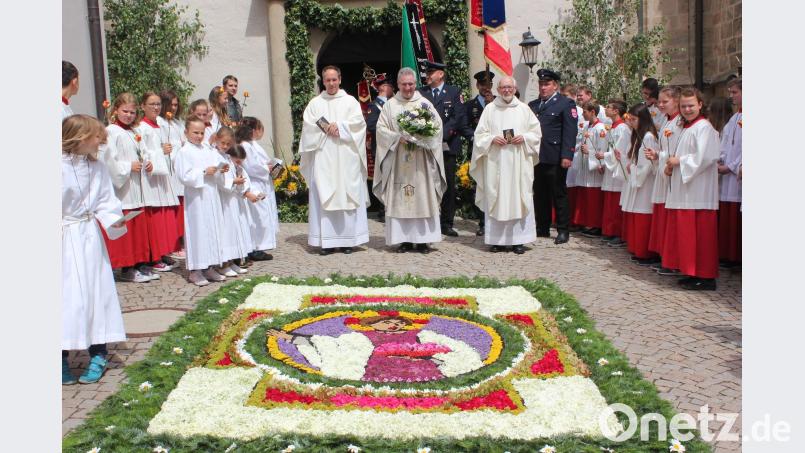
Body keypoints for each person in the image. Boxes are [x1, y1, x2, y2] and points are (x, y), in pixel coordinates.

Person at [62, 114, 128, 385]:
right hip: (63, 237)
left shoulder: (97, 166)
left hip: (89, 237)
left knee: (96, 292)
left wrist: (114, 219)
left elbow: (105, 200)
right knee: (65, 297)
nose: (101, 141)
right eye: (96, 136)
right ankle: (60, 355)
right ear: (79, 137)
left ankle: (98, 353)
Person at [374, 67, 446, 253]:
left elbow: (437, 128)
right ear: (398, 85)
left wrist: (422, 136)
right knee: (401, 199)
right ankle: (404, 239)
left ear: (415, 84)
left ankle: (423, 240)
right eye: (404, 84)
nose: (408, 88)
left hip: (421, 161)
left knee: (422, 197)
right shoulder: (390, 105)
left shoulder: (424, 104)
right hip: (398, 159)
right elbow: (380, 130)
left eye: (411, 84)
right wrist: (397, 137)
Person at [299, 65, 370, 255]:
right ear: (323, 81)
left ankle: (348, 241)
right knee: (324, 194)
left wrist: (340, 126)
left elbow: (359, 125)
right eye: (327, 80)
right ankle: (327, 242)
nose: (331, 83)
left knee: (347, 194)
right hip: (324, 157)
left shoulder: (350, 101)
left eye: (334, 79)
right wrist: (326, 128)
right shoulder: (315, 103)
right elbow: (308, 126)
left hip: (346, 158)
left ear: (340, 79)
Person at [470, 76, 541, 254]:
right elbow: (479, 135)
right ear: (498, 89)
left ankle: (518, 240)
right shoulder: (490, 109)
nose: (506, 90)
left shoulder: (524, 109)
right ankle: (497, 241)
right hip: (496, 162)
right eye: (503, 87)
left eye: (509, 87)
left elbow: (536, 133)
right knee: (496, 197)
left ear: (515, 89)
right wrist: (492, 139)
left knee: (518, 197)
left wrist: (524, 137)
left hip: (518, 163)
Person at [662, 88, 720, 290]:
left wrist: (679, 161)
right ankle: (692, 272)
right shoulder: (687, 127)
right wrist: (671, 166)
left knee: (701, 235)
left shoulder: (704, 127)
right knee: (688, 236)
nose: (687, 109)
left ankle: (706, 277)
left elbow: (706, 157)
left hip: (699, 192)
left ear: (700, 105)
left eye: (691, 105)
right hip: (686, 191)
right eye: (683, 106)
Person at [102, 93, 160, 283]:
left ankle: (138, 264)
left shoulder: (134, 131)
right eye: (125, 111)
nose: (128, 115)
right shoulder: (111, 131)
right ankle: (127, 268)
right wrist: (127, 167)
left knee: (138, 228)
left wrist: (148, 163)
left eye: (132, 112)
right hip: (125, 189)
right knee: (128, 229)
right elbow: (109, 161)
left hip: (137, 186)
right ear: (116, 110)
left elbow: (143, 152)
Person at [173, 115, 228, 286]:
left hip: (211, 194)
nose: (199, 136)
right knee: (198, 231)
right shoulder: (184, 152)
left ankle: (209, 266)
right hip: (196, 198)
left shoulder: (207, 149)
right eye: (195, 132)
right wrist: (203, 172)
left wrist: (220, 169)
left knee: (212, 229)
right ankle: (196, 270)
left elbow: (216, 164)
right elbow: (183, 175)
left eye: (202, 133)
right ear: (186, 132)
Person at [527, 69, 578, 244]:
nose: (543, 87)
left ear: (555, 86)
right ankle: (542, 226)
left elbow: (570, 131)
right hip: (537, 156)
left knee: (558, 193)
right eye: (541, 84)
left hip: (556, 156)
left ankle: (563, 230)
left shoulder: (565, 103)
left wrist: (567, 155)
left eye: (547, 84)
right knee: (540, 193)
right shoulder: (533, 105)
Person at [419, 61, 466, 237]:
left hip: (447, 144)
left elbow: (458, 117)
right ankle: (429, 220)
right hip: (426, 146)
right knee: (426, 183)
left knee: (448, 185)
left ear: (440, 74)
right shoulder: (421, 93)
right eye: (427, 73)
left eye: (431, 72)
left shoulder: (454, 92)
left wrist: (441, 135)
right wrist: (429, 136)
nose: (428, 76)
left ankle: (446, 222)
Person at [138, 92, 181, 273]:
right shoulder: (142, 127)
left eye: (158, 104)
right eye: (152, 104)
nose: (156, 107)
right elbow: (141, 152)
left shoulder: (161, 125)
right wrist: (160, 151)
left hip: (163, 177)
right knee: (155, 219)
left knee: (165, 217)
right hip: (152, 179)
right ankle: (154, 256)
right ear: (143, 106)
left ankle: (163, 252)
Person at [645, 86, 682, 275]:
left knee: (670, 219)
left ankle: (672, 259)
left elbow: (678, 151)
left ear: (676, 101)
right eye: (659, 101)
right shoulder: (668, 121)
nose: (660, 105)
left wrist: (662, 155)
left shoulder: (679, 123)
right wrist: (657, 154)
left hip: (672, 175)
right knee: (662, 217)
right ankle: (664, 256)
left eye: (664, 101)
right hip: (663, 173)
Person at [619, 104, 659, 265]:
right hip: (636, 178)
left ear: (643, 119)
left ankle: (645, 252)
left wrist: (634, 168)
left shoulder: (648, 136)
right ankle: (637, 248)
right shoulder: (637, 134)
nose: (631, 122)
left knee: (643, 214)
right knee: (637, 214)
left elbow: (648, 164)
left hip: (645, 182)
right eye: (630, 119)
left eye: (634, 119)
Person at [237, 117, 279, 261]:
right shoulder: (245, 145)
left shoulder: (251, 144)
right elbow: (251, 166)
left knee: (262, 215)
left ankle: (259, 246)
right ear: (254, 130)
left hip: (261, 181)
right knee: (257, 216)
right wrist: (266, 168)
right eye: (261, 129)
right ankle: (255, 248)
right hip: (254, 183)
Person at [213, 127, 253, 275]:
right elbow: (218, 180)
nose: (225, 146)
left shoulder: (226, 157)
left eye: (228, 144)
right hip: (223, 199)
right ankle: (223, 265)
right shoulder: (215, 156)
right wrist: (233, 181)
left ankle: (231, 262)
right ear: (216, 140)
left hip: (232, 199)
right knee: (226, 232)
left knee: (233, 231)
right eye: (223, 143)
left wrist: (237, 182)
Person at [463, 70, 496, 236]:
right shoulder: (470, 105)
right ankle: (483, 222)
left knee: (496, 186)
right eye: (483, 84)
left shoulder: (498, 103)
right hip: (478, 151)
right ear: (477, 85)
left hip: (496, 151)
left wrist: (492, 105)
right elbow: (464, 127)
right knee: (481, 186)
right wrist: (477, 139)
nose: (486, 88)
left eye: (488, 84)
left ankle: (496, 221)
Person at [158, 90, 187, 259]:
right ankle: (174, 244)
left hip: (179, 170)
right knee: (173, 209)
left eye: (176, 105)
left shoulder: (178, 123)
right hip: (169, 170)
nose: (174, 108)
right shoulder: (160, 123)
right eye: (171, 105)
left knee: (181, 209)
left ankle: (181, 240)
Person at [597, 100, 629, 246]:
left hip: (618, 170)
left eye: (609, 107)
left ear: (616, 111)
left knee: (616, 203)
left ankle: (618, 232)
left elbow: (620, 151)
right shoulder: (612, 127)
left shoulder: (622, 128)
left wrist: (605, 156)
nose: (606, 109)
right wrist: (604, 160)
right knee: (610, 202)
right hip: (611, 170)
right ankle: (610, 231)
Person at [718, 78, 742, 267]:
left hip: (737, 174)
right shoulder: (734, 119)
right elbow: (725, 143)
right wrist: (720, 159)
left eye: (735, 92)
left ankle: (737, 257)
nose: (731, 96)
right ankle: (728, 255)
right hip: (727, 174)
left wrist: (732, 166)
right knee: (728, 214)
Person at [366, 78, 395, 221]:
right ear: (383, 87)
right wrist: (388, 130)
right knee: (383, 179)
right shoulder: (374, 105)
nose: (393, 89)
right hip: (380, 147)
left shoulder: (394, 104)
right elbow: (371, 125)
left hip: (395, 146)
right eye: (391, 86)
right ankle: (383, 210)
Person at [577, 101, 606, 237]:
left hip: (594, 168)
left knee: (594, 198)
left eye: (585, 112)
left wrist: (598, 160)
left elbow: (602, 147)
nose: (583, 114)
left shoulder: (600, 128)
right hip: (586, 167)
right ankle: (588, 222)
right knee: (587, 197)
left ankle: (596, 225)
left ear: (593, 112)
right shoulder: (588, 126)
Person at [562, 83, 585, 231]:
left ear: (574, 96)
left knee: (573, 186)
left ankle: (573, 220)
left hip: (576, 152)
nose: (564, 99)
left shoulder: (581, 112)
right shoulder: (561, 108)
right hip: (564, 150)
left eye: (566, 96)